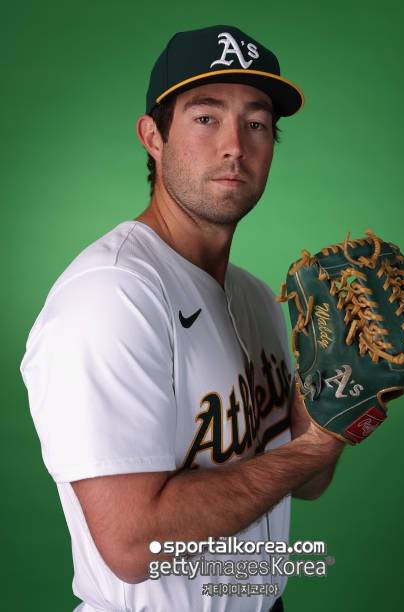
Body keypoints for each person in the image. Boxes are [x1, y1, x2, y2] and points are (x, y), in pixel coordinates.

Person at [20, 25, 344, 612]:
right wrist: (310, 452)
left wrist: (339, 404)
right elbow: (134, 543)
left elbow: (309, 481)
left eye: (256, 123)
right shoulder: (112, 295)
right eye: (206, 117)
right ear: (153, 135)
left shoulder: (257, 299)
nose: (234, 145)